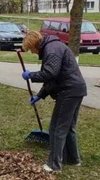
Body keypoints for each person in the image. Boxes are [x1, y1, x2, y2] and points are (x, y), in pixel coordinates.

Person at [21, 30, 87, 171]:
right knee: (68, 127)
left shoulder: (51, 50)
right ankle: (73, 159)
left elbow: (50, 73)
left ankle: (54, 165)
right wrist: (40, 95)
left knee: (57, 127)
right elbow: (53, 79)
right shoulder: (52, 47)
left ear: (35, 45)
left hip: (68, 91)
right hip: (76, 89)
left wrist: (31, 75)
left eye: (31, 49)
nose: (32, 53)